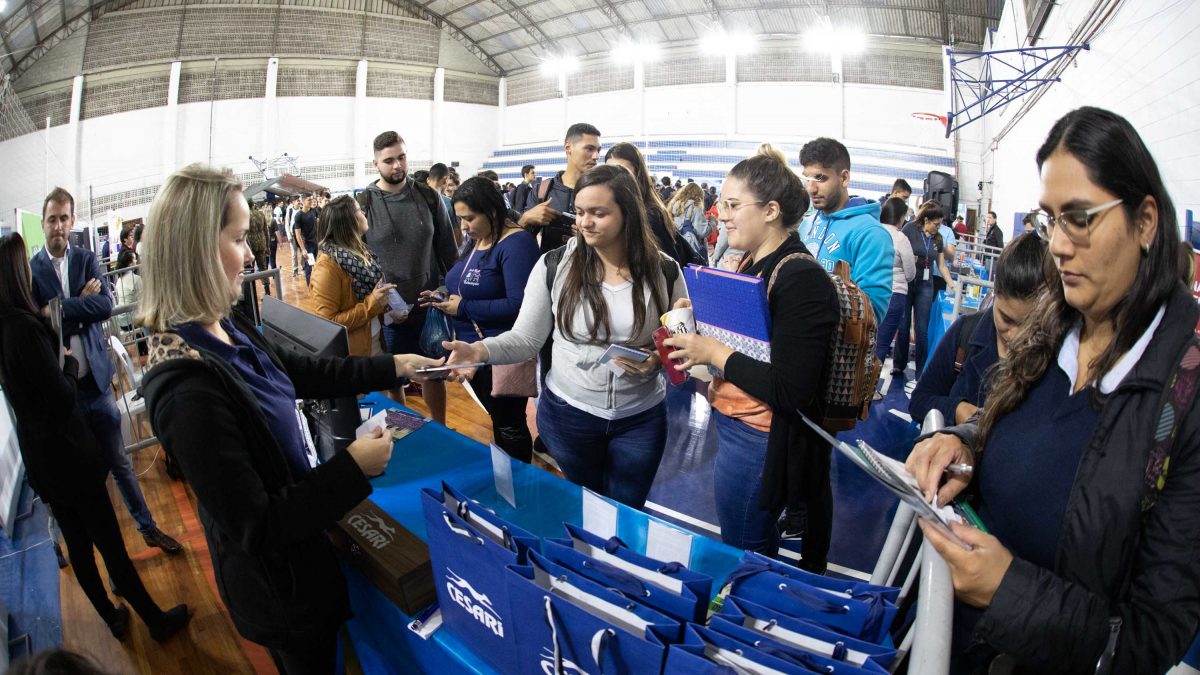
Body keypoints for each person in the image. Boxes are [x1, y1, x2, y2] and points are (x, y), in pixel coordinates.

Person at [906, 107, 1200, 673]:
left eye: (1081, 218)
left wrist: (1008, 592)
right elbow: (1028, 435)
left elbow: (1150, 639)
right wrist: (968, 443)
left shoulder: (1183, 399)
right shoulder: (1054, 331)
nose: (1059, 247)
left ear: (1145, 221)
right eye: (1050, 221)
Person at [138, 164, 440, 674]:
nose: (252, 254)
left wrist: (393, 364)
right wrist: (352, 468)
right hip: (282, 594)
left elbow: (301, 370)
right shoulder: (185, 391)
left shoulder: (226, 325)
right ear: (196, 251)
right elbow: (257, 524)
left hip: (305, 556)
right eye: (238, 239)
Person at [443, 165, 688, 509]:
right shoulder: (554, 266)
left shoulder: (664, 269)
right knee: (584, 504)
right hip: (571, 414)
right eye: (582, 211)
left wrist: (660, 359)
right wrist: (478, 351)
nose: (585, 222)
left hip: (641, 418)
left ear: (628, 214)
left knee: (628, 510)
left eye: (599, 213)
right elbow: (526, 338)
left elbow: (680, 344)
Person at [0, 233, 190, 643]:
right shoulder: (25, 330)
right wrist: (67, 363)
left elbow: (100, 303)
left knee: (79, 547)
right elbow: (62, 396)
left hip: (41, 459)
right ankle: (155, 621)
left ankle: (112, 617)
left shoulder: (6, 329)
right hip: (68, 455)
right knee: (108, 544)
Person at [663, 147, 840, 568]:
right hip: (737, 423)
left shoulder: (801, 279)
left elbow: (790, 389)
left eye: (732, 204)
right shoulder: (751, 262)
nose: (718, 213)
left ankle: (752, 616)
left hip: (760, 437)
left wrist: (714, 351)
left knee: (747, 545)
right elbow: (754, 345)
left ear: (771, 211)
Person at [30, 188, 182, 555]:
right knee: (84, 478)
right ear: (43, 222)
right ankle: (109, 555)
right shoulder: (31, 270)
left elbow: (103, 305)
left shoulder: (85, 258)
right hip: (62, 389)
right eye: (52, 219)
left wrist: (64, 309)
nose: (59, 226)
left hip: (97, 383)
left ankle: (147, 528)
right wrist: (77, 304)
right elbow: (37, 319)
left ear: (72, 221)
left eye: (65, 218)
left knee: (120, 463)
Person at [431, 177, 539, 462]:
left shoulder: (517, 245)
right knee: (499, 420)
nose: (463, 226)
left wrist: (464, 308)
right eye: (460, 219)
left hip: (501, 351)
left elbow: (519, 306)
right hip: (473, 351)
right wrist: (443, 295)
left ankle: (517, 485)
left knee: (509, 423)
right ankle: (506, 480)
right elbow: (465, 282)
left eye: (469, 218)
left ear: (492, 211)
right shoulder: (479, 239)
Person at [359, 131, 457, 424]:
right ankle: (407, 427)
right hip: (390, 312)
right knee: (395, 376)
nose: (397, 165)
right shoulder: (364, 204)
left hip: (430, 306)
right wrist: (381, 304)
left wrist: (444, 290)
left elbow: (448, 251)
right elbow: (360, 261)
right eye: (388, 160)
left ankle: (441, 431)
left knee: (434, 373)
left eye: (401, 157)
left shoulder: (429, 197)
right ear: (375, 164)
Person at [909, 232, 1047, 425]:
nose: (1015, 335)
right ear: (994, 294)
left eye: (1031, 325)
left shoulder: (1058, 359)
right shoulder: (966, 332)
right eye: (1006, 319)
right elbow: (919, 401)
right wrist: (957, 409)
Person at [796, 137, 894, 323]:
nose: (811, 188)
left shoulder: (871, 233)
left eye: (820, 178)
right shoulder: (807, 224)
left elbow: (872, 313)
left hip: (832, 348)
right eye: (807, 178)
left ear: (844, 177)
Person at [307, 195, 395, 357]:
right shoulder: (327, 266)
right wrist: (371, 305)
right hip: (355, 351)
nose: (364, 213)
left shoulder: (359, 251)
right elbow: (328, 322)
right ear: (349, 221)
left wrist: (390, 309)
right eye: (359, 210)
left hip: (375, 339)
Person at [604, 141, 700, 269]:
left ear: (638, 173)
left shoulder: (649, 214)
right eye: (608, 171)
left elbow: (669, 268)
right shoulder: (623, 208)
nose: (614, 178)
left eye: (623, 171)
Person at [519, 123, 601, 254]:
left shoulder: (601, 193)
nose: (596, 156)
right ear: (568, 147)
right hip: (550, 271)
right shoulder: (543, 191)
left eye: (598, 150)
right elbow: (520, 240)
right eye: (589, 149)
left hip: (591, 271)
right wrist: (526, 219)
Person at [895, 200, 952, 376]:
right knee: (903, 327)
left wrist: (952, 283)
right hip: (907, 283)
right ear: (927, 219)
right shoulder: (910, 229)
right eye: (936, 224)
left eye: (940, 224)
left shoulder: (938, 239)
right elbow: (897, 251)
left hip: (925, 286)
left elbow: (941, 266)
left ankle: (921, 369)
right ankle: (899, 364)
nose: (938, 228)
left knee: (922, 329)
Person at [874, 197, 917, 368]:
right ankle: (870, 389)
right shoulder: (900, 238)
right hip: (894, 294)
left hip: (870, 291)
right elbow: (910, 272)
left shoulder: (873, 231)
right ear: (900, 217)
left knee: (865, 342)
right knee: (882, 344)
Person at [667, 182, 710, 264]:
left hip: (677, 247)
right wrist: (712, 223)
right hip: (692, 251)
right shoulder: (695, 207)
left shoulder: (673, 206)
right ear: (698, 194)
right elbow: (702, 232)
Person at [292, 194, 318, 285]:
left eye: (311, 199)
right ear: (303, 202)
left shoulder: (314, 211)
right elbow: (297, 234)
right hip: (308, 245)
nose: (311, 201)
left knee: (318, 266)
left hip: (316, 243)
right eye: (308, 200)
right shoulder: (298, 216)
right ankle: (309, 287)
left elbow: (318, 224)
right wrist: (303, 249)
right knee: (309, 267)